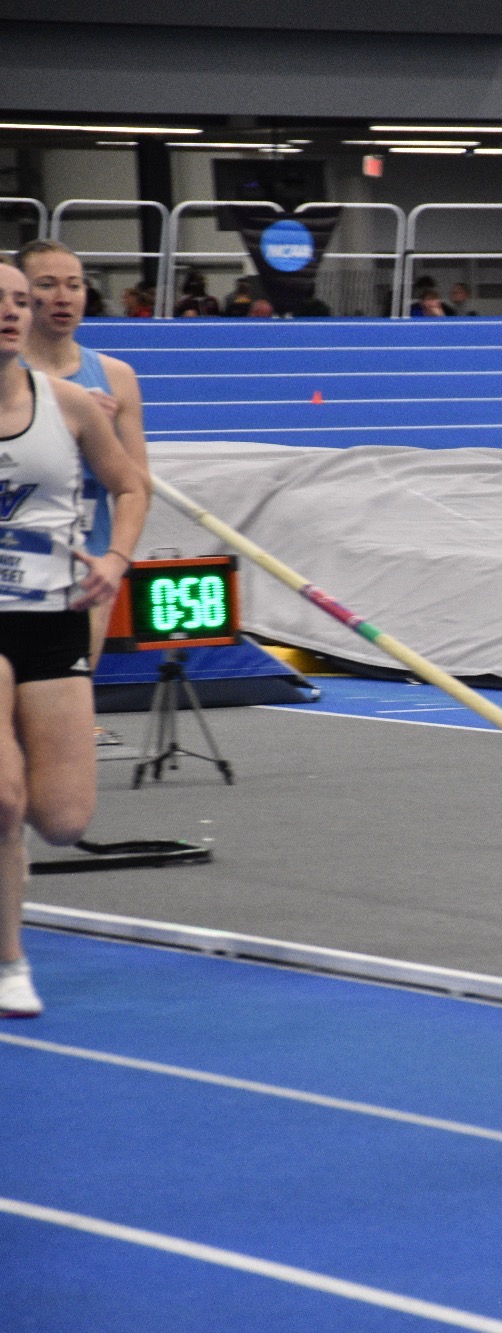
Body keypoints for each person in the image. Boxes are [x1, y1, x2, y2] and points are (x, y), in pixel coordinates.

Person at [0, 260, 150, 1017]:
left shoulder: (74, 405)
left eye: (20, 301)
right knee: (1, 793)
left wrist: (116, 560)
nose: (14, 311)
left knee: (61, 819)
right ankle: (9, 961)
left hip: (51, 614)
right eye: (1, 299)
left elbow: (129, 486)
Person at [17, 241, 152, 674]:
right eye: (47, 284)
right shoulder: (6, 374)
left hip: (87, 566)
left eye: (74, 285)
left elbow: (136, 485)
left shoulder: (116, 377)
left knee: (71, 695)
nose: (63, 296)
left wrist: (116, 561)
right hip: (15, 566)